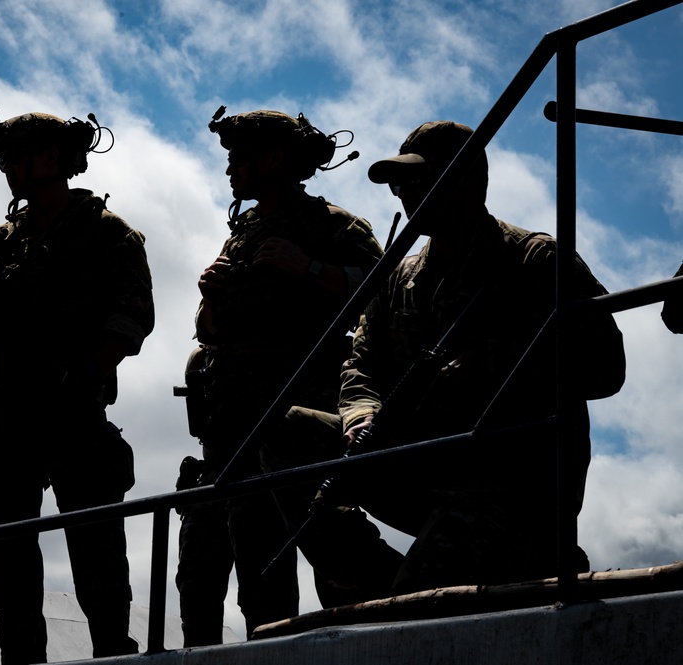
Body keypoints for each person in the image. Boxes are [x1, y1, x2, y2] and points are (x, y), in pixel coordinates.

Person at [260, 120, 626, 596]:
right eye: (399, 184)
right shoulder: (400, 277)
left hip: (508, 484)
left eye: (418, 181)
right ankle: (373, 581)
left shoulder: (535, 261)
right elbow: (361, 365)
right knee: (284, 432)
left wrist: (489, 363)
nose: (404, 194)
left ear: (467, 178)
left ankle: (510, 557)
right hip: (423, 466)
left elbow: (605, 366)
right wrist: (361, 417)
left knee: (417, 608)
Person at [0, 111, 153, 664]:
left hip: (76, 415)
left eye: (18, 154)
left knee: (98, 561)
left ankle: (112, 656)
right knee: (11, 570)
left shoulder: (108, 232)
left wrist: (83, 376)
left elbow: (132, 319)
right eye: (4, 157)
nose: (7, 166)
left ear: (53, 158)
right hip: (10, 418)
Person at [175, 107, 390, 644]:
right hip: (232, 427)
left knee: (334, 563)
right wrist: (210, 299)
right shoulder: (242, 235)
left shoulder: (334, 227)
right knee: (248, 575)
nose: (230, 169)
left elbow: (383, 294)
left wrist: (310, 268)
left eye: (239, 157)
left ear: (275, 158)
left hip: (299, 427)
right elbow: (209, 332)